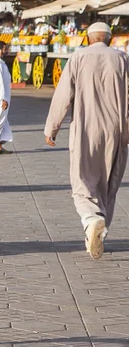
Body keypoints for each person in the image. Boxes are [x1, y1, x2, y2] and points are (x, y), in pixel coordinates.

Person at [44, 22, 129, 260]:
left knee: (82, 183)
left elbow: (63, 95)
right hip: (117, 130)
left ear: (89, 39)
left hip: (85, 129)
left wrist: (52, 127)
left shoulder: (78, 57)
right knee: (108, 186)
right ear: (109, 39)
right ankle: (99, 235)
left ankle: (92, 220)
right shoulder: (122, 59)